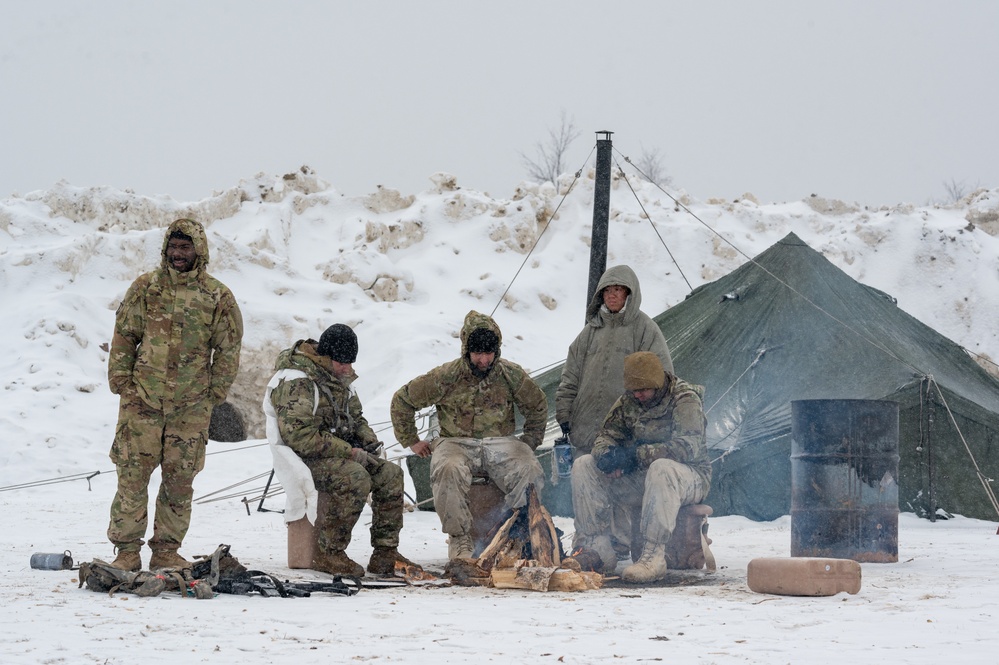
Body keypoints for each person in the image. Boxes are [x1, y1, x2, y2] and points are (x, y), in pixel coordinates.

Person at [106, 218, 243, 571]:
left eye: (185, 247)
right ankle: (126, 552)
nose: (178, 254)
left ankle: (166, 550)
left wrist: (214, 393)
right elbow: (125, 334)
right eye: (173, 246)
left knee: (180, 481)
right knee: (132, 475)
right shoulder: (145, 288)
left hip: (191, 406)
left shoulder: (217, 296)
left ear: (199, 250)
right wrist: (123, 383)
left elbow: (228, 348)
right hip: (142, 401)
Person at [390, 310, 548, 560]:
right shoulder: (445, 377)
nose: (484, 360)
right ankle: (460, 540)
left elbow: (537, 404)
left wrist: (529, 442)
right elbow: (403, 400)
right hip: (455, 441)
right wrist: (411, 440)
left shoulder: (510, 374)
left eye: (489, 353)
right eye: (478, 353)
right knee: (447, 468)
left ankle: (523, 533)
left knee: (528, 468)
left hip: (501, 442)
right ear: (466, 351)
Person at [265, 324, 419, 577]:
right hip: (305, 458)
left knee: (390, 474)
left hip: (339, 452)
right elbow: (299, 437)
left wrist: (368, 440)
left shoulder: (339, 378)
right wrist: (348, 452)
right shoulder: (297, 381)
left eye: (350, 362)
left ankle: (385, 553)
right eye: (341, 363)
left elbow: (355, 417)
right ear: (325, 357)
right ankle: (329, 553)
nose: (347, 369)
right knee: (353, 477)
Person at [555, 264, 673, 559]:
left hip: (628, 428)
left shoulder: (645, 329)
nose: (612, 296)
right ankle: (588, 543)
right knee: (586, 483)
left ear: (630, 295)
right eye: (607, 290)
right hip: (587, 426)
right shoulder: (589, 332)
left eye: (618, 290)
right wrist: (565, 411)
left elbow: (663, 375)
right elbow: (570, 376)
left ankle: (620, 541)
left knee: (619, 481)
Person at [571, 351, 711, 583]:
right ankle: (596, 548)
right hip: (645, 479)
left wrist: (634, 457)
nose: (639, 395)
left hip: (689, 477)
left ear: (657, 384)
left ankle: (653, 556)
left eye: (644, 390)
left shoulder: (684, 398)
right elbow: (605, 435)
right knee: (584, 465)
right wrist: (607, 455)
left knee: (661, 467)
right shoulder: (629, 400)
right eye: (634, 391)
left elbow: (688, 447)